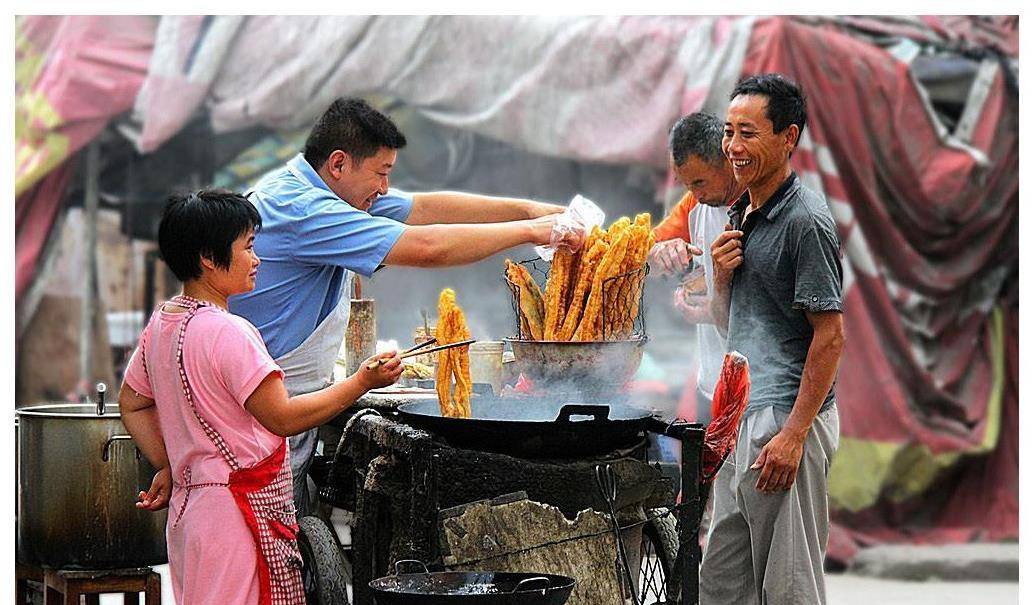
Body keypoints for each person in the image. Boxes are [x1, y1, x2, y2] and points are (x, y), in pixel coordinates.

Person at [228, 97, 578, 516]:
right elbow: (427, 247)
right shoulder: (301, 208)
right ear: (338, 164)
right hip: (258, 414)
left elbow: (425, 208)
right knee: (257, 546)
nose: (385, 189)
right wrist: (531, 230)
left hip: (291, 403)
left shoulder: (333, 194)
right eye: (381, 174)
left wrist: (528, 210)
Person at [118, 190, 404, 605]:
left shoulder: (163, 323)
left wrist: (169, 464)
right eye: (248, 247)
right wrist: (361, 381)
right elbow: (282, 418)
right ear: (208, 259)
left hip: (189, 516)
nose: (257, 259)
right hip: (235, 520)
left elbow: (133, 402)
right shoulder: (229, 332)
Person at [701, 74, 844, 605]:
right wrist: (720, 278)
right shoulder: (744, 213)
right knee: (722, 582)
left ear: (789, 138)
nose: (733, 148)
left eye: (748, 134)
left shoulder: (805, 223)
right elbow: (730, 325)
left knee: (788, 587)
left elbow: (830, 337)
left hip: (785, 420)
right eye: (729, 132)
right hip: (740, 414)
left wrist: (794, 434)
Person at [649, 112, 746, 422]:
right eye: (686, 183)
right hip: (711, 384)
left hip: (758, 391)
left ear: (726, 159)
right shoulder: (696, 204)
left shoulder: (761, 205)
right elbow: (642, 254)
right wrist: (661, 253)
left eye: (700, 182)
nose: (695, 193)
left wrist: (709, 311)